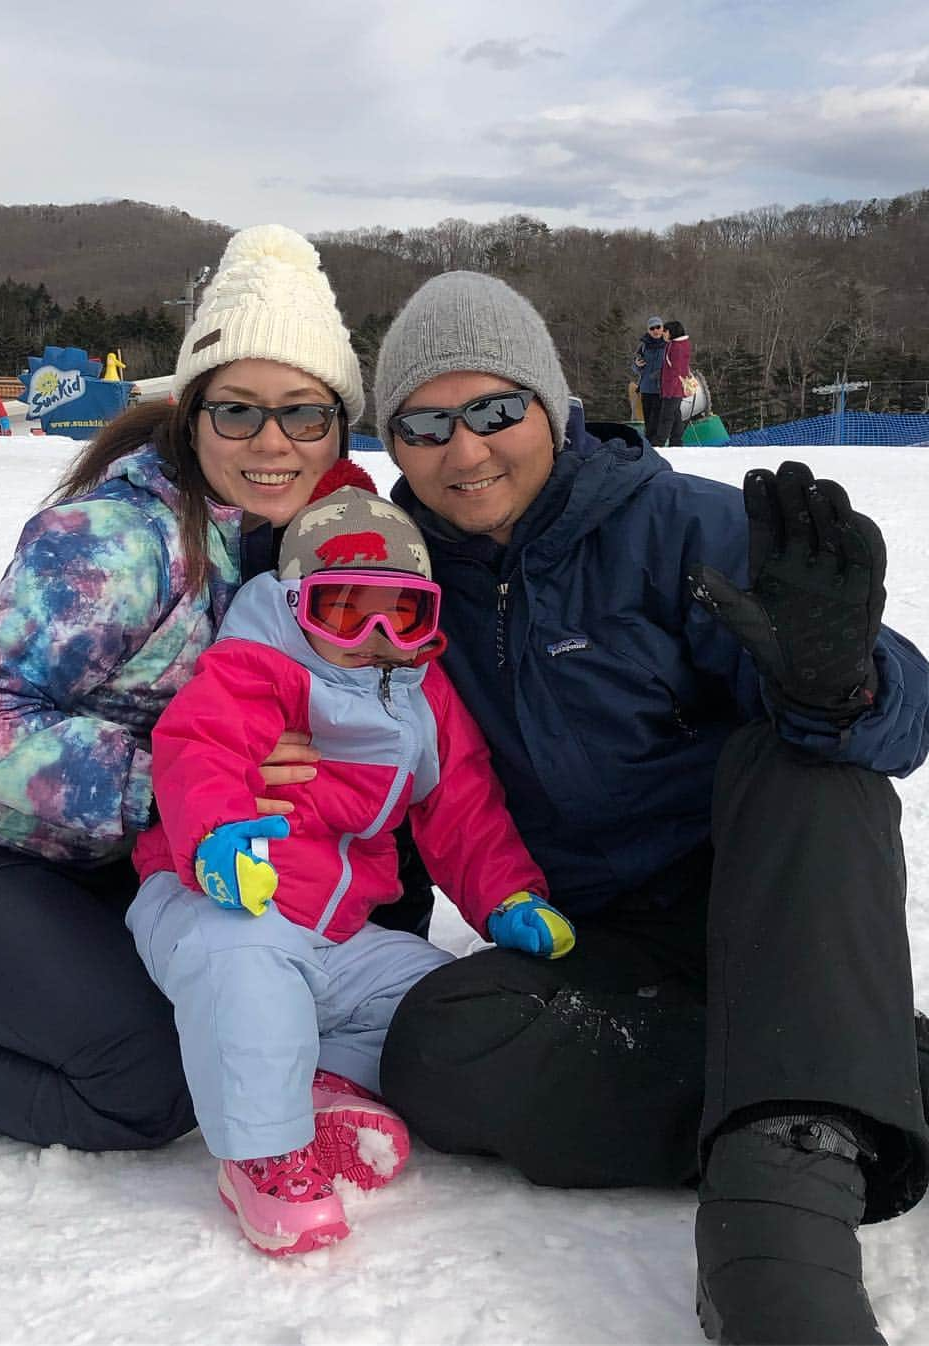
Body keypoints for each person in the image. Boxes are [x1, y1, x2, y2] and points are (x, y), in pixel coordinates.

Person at [369, 270, 929, 1345]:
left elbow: (901, 717)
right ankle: (858, 1076)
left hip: (772, 897)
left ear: (552, 404)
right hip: (602, 938)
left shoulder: (675, 525)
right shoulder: (393, 578)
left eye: (495, 410)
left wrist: (845, 681)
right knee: (434, 1047)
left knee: (810, 758)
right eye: (426, 423)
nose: (466, 450)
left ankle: (780, 1225)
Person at [0, 223, 384, 1152]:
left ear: (338, 426)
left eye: (304, 412)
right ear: (190, 413)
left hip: (83, 864)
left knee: (229, 1015)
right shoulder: (120, 541)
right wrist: (175, 780)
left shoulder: (293, 541)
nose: (273, 440)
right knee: (151, 1081)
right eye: (238, 411)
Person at [127, 479, 573, 1255]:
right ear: (296, 604)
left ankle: (322, 1083)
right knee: (247, 964)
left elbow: (461, 804)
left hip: (337, 931)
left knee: (432, 994)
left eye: (400, 613)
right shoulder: (257, 667)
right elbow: (202, 749)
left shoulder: (425, 696)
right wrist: (220, 839)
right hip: (221, 899)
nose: (374, 633)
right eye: (344, 608)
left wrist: (507, 897)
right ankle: (260, 1156)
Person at [654, 317, 692, 447]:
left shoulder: (677, 347)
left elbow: (676, 370)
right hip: (674, 387)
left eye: (665, 331)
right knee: (675, 416)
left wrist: (669, 391)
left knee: (666, 416)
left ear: (672, 332)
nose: (662, 333)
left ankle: (659, 442)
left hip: (673, 388)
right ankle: (676, 442)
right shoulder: (675, 345)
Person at [631, 315, 666, 442]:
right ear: (648, 330)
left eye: (658, 327)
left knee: (657, 421)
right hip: (646, 388)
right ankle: (650, 445)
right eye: (652, 328)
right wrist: (637, 365)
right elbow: (634, 367)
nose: (656, 331)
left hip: (663, 389)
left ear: (663, 328)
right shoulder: (643, 346)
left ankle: (656, 445)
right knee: (648, 420)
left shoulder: (669, 345)